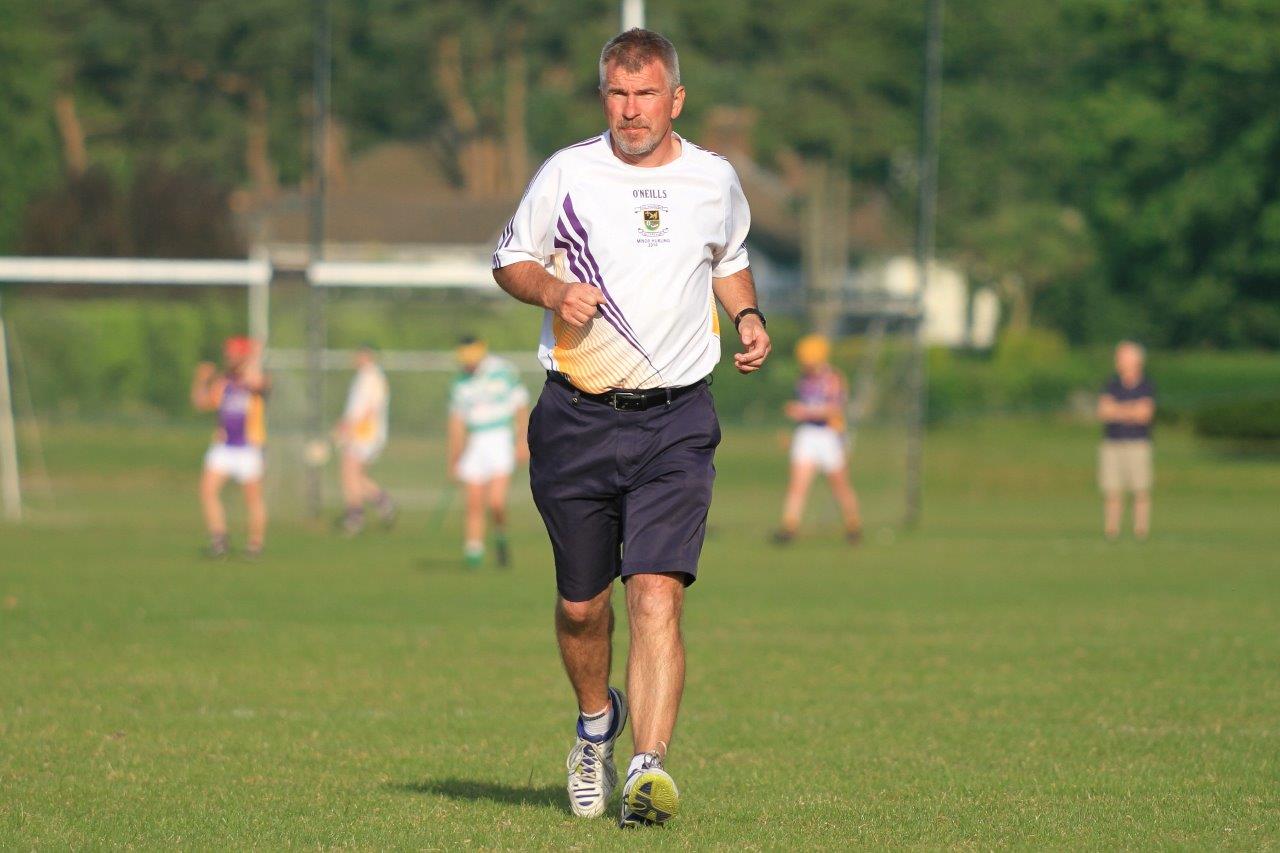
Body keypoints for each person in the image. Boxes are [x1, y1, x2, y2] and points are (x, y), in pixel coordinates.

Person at [491, 28, 770, 828]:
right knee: (583, 607)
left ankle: (648, 768)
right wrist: (549, 290)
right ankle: (593, 728)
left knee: (655, 592)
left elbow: (728, 255)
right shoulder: (567, 173)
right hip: (576, 415)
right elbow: (509, 258)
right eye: (618, 94)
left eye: (646, 94)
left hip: (678, 419)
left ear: (675, 99)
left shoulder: (714, 179)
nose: (631, 110)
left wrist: (746, 313)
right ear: (603, 97)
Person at [446, 337, 530, 569]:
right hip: (476, 442)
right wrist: (454, 457)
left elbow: (520, 407)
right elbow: (457, 423)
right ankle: (474, 551)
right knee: (473, 501)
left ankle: (500, 536)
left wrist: (522, 441)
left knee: (495, 502)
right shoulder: (460, 382)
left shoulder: (503, 371)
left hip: (501, 439)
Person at [774, 334, 863, 544]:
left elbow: (834, 410)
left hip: (828, 435)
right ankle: (789, 527)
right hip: (806, 434)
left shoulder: (833, 379)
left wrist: (803, 412)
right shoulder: (803, 378)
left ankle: (853, 526)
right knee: (798, 484)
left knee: (840, 484)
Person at [190, 336, 269, 557]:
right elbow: (200, 403)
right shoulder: (223, 382)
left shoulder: (253, 379)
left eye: (234, 353)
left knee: (252, 498)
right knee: (207, 490)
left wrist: (254, 356)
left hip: (248, 447)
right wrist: (201, 379)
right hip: (224, 446)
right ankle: (219, 539)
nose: (229, 357)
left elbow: (258, 384)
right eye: (228, 353)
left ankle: (255, 544)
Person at [1097, 340, 1156, 540]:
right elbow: (1104, 411)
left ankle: (1141, 530)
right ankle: (1112, 530)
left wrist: (1119, 410)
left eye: (1122, 356)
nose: (1118, 360)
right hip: (1113, 442)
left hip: (1138, 443)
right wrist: (1131, 410)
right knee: (1112, 490)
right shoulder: (1112, 384)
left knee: (1140, 489)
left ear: (1135, 360)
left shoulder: (1146, 385)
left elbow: (1144, 415)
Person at [334, 345, 396, 535]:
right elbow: (355, 407)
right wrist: (344, 424)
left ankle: (356, 515)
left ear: (367, 356)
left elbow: (371, 407)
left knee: (349, 472)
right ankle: (382, 501)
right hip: (359, 431)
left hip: (366, 433)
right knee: (353, 475)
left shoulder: (373, 377)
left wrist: (351, 427)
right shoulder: (362, 377)